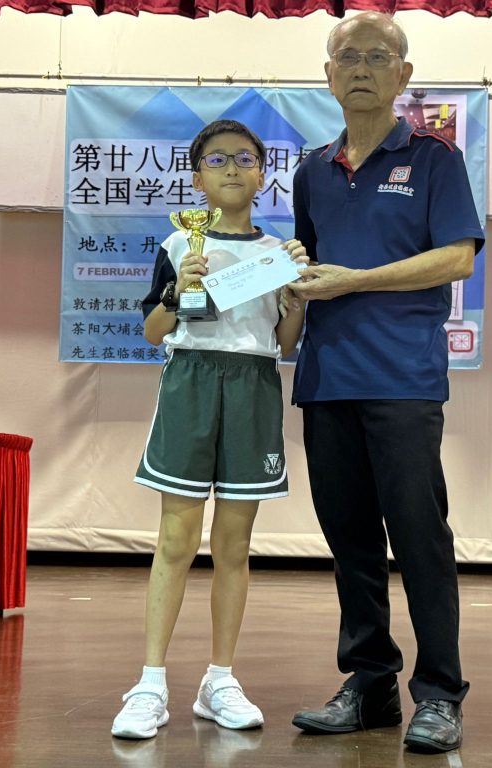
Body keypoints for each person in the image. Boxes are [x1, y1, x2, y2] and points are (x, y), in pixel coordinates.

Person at [286, 12, 485, 754]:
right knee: (351, 543)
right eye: (349, 57)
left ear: (403, 76)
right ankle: (369, 685)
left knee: (420, 537)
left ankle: (439, 694)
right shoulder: (312, 170)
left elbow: (457, 258)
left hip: (402, 379)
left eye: (378, 57)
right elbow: (308, 265)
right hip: (326, 379)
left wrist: (355, 281)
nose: (362, 68)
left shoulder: (432, 160)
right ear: (328, 75)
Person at [111, 119, 308, 741]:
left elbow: (285, 343)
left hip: (253, 387)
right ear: (197, 178)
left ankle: (219, 679)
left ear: (262, 174)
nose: (231, 168)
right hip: (191, 383)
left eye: (244, 158)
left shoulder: (279, 254)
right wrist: (180, 290)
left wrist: (298, 298)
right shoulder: (178, 245)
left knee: (233, 544)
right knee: (175, 538)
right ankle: (150, 682)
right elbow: (153, 332)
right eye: (216, 159)